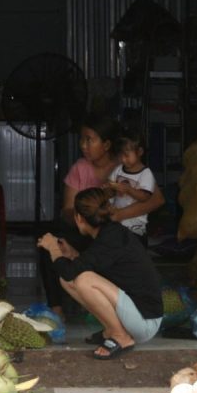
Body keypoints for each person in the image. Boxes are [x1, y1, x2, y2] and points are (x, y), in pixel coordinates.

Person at [38, 188, 163, 359]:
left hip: (146, 321)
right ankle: (111, 330)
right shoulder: (110, 233)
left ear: (79, 218)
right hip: (136, 313)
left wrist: (53, 247)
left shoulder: (111, 238)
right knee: (69, 281)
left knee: (83, 279)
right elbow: (91, 266)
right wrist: (73, 254)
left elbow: (72, 272)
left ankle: (121, 337)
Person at [40, 115, 121, 322]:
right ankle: (56, 309)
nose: (83, 145)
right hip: (83, 230)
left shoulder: (122, 168)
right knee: (49, 246)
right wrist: (82, 218)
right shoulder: (80, 168)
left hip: (114, 233)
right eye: (82, 139)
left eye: (89, 140)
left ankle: (106, 305)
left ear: (106, 144)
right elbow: (68, 208)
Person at [105, 128, 162, 247]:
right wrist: (108, 188)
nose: (123, 159)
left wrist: (128, 189)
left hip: (135, 228)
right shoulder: (118, 170)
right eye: (121, 155)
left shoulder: (145, 173)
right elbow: (110, 188)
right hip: (118, 225)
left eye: (126, 155)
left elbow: (145, 197)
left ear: (139, 152)